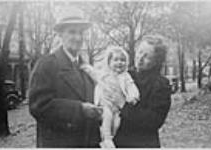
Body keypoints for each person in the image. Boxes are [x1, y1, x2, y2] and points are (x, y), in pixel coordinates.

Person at [28, 15, 102, 148]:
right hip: (60, 142)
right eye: (72, 32)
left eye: (81, 33)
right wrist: (79, 109)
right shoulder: (46, 64)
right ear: (60, 35)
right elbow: (38, 106)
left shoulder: (85, 67)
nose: (78, 38)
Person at [114, 40, 171, 148]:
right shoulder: (125, 75)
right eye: (140, 52)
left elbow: (153, 121)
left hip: (142, 143)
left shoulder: (161, 85)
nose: (140, 59)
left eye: (147, 57)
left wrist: (123, 105)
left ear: (156, 62)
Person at [79, 46, 140, 148]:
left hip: (118, 107)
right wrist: (86, 68)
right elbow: (94, 74)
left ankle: (113, 139)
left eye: (123, 60)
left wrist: (133, 96)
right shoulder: (105, 74)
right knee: (107, 117)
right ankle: (106, 139)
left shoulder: (125, 76)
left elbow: (131, 86)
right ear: (109, 62)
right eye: (116, 60)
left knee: (117, 123)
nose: (119, 63)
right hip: (106, 104)